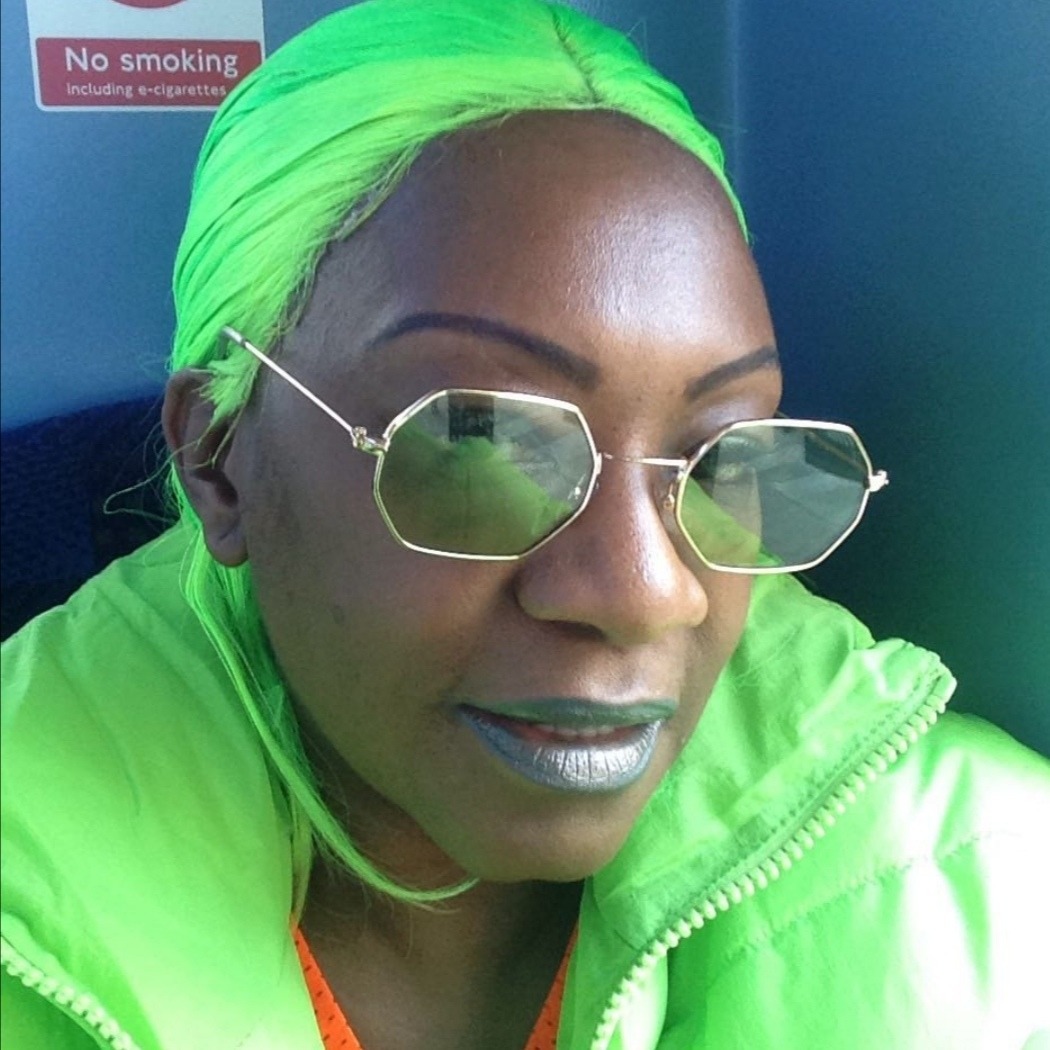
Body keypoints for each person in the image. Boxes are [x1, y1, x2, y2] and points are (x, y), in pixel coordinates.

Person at [2, 1, 1048, 1048]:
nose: (649, 594)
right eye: (482, 446)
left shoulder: (998, 887)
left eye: (723, 460)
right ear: (220, 462)